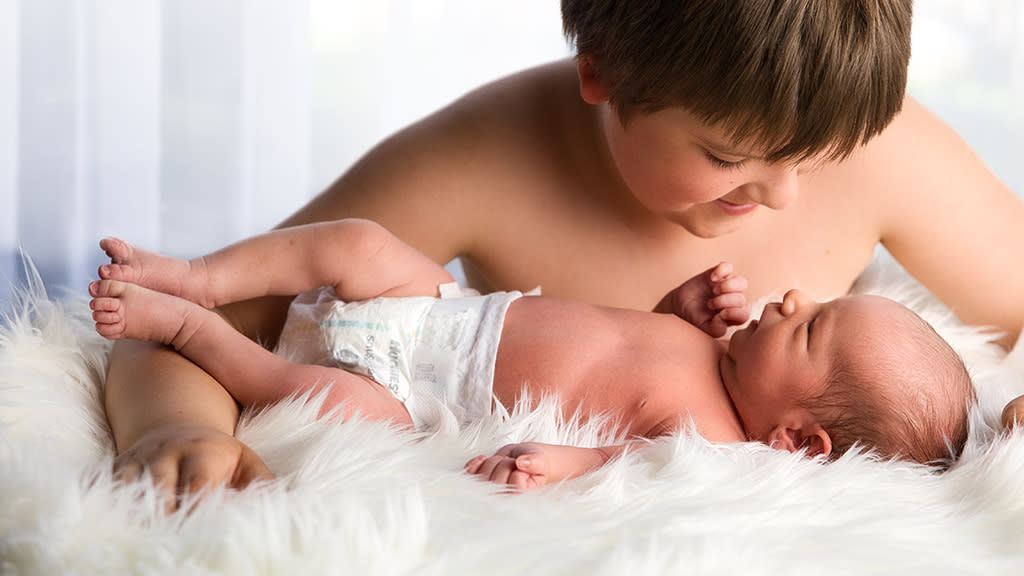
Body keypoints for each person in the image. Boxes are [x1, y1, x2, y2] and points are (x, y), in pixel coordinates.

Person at [101, 0, 1024, 506]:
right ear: (605, 70)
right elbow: (198, 321)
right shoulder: (488, 153)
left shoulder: (873, 148)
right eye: (727, 155)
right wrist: (171, 433)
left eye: (815, 153)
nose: (788, 194)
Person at [89, 220, 974, 487]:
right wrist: (675, 308)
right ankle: (199, 277)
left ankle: (191, 331)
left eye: (811, 328)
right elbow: (619, 338)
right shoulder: (708, 351)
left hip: (416, 387)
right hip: (449, 314)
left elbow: (629, 460)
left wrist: (564, 461)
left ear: (798, 441)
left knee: (321, 400)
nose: (793, 298)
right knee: (356, 241)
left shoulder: (717, 445)